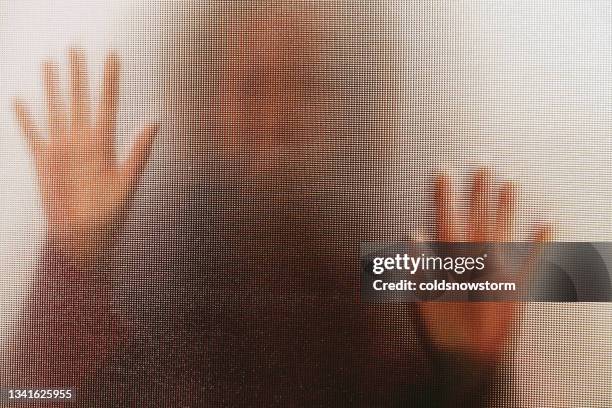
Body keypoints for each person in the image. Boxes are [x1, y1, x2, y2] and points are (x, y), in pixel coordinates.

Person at [5, 6, 550, 407]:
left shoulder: (381, 279)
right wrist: (72, 254)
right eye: (236, 76)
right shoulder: (147, 281)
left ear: (331, 106)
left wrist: (461, 365)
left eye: (290, 74)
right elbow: (30, 394)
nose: (259, 106)